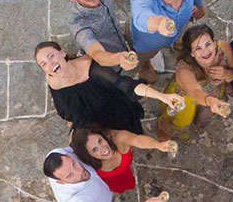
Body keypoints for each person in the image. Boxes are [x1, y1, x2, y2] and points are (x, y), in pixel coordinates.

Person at [36, 41, 185, 135]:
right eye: (43, 64)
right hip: (92, 124)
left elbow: (126, 86)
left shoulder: (90, 67)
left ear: (62, 53)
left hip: (113, 110)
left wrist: (162, 96)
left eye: (51, 56)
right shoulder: (53, 82)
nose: (49, 64)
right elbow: (69, 114)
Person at [42, 148, 167, 202]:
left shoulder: (57, 153)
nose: (79, 172)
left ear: (69, 157)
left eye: (74, 164)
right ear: (61, 182)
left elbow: (73, 145)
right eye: (70, 176)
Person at [59, 0, 148, 79]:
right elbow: (97, 54)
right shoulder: (78, 24)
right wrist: (118, 58)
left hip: (120, 40)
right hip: (108, 69)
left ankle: (145, 64)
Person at [129, 0, 206, 74]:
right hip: (147, 43)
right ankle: (144, 64)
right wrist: (159, 22)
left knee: (180, 30)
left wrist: (200, 7)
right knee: (143, 54)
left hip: (179, 27)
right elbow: (140, 16)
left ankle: (176, 40)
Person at [157, 24, 233, 141]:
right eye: (198, 48)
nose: (206, 52)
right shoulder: (184, 70)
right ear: (191, 53)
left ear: (214, 42)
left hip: (211, 94)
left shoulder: (224, 48)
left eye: (208, 44)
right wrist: (209, 100)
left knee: (203, 116)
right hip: (187, 101)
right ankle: (164, 130)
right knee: (179, 123)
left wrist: (227, 74)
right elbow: (195, 91)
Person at [70, 124, 177, 194]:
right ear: (88, 155)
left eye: (100, 141)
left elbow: (137, 140)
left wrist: (157, 145)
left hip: (124, 171)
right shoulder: (84, 164)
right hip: (107, 180)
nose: (103, 149)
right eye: (94, 150)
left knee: (127, 182)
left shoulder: (119, 138)